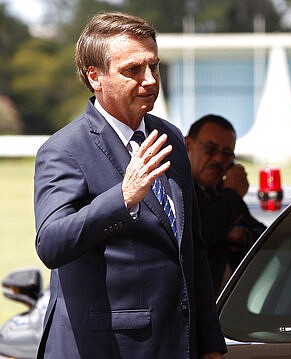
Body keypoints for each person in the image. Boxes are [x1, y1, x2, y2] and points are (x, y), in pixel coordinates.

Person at [33, 12, 226, 359]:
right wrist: (123, 197)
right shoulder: (64, 149)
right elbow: (51, 243)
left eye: (153, 66)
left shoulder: (170, 139)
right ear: (96, 77)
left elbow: (191, 251)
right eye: (133, 70)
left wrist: (209, 344)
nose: (150, 80)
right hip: (106, 348)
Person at [186, 114, 266, 295]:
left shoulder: (219, 193)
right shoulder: (175, 189)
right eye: (210, 149)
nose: (219, 159)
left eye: (227, 154)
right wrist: (233, 194)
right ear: (188, 145)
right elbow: (201, 234)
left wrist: (242, 236)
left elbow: (262, 235)